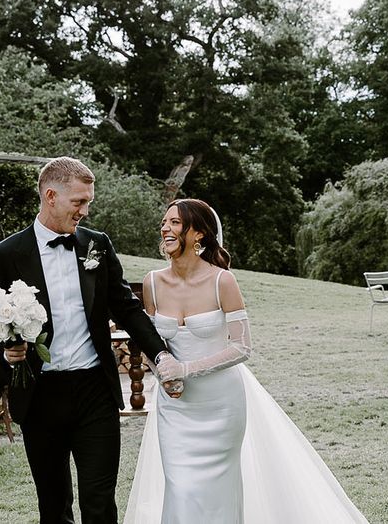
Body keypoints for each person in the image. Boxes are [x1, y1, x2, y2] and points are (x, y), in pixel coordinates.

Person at [124, 198, 369, 524]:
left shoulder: (221, 281)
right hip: (176, 406)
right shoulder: (153, 282)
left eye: (175, 223)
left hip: (220, 404)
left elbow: (242, 348)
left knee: (219, 490)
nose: (165, 228)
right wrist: (164, 373)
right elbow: (154, 343)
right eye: (165, 222)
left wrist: (186, 369)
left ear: (198, 233)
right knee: (180, 487)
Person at [0, 156, 171, 524]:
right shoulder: (6, 254)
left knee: (100, 502)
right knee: (54, 505)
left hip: (94, 390)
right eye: (78, 202)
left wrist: (160, 355)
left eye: (88, 202)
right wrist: (7, 349)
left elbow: (127, 309)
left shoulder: (96, 245)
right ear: (51, 196)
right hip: (40, 394)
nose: (84, 210)